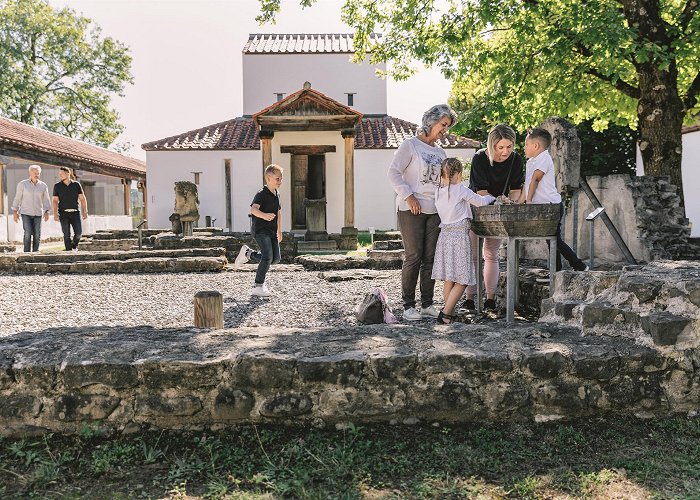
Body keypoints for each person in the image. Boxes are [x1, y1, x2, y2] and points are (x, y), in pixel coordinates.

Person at [388, 104, 458, 321]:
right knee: (414, 256)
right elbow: (393, 173)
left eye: (447, 126)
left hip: (435, 211)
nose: (445, 130)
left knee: (430, 258)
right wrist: (409, 196)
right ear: (431, 121)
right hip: (411, 210)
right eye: (443, 125)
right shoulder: (410, 145)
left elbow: (445, 183)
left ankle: (427, 304)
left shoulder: (440, 152)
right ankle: (408, 306)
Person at [464, 124, 525, 311]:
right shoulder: (479, 158)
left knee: (491, 254)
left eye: (509, 147)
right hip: (475, 207)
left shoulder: (516, 160)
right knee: (473, 255)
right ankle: (469, 298)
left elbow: (516, 190)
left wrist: (510, 202)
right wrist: (498, 200)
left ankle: (490, 298)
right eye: (501, 148)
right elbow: (481, 192)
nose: (505, 152)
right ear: (492, 146)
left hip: (499, 208)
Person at [432, 158, 495, 324]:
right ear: (459, 174)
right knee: (463, 279)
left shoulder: (438, 191)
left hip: (444, 237)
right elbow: (480, 202)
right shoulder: (460, 189)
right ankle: (445, 314)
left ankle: (449, 314)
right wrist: (491, 197)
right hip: (459, 237)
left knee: (449, 278)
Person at [518, 127, 588, 272]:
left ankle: (578, 265)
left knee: (554, 239)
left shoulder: (544, 158)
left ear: (536, 146)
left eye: (526, 144)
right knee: (552, 240)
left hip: (552, 206)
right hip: (544, 207)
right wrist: (519, 202)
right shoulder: (532, 161)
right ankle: (559, 270)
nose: (524, 147)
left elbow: (535, 180)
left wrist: (529, 201)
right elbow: (527, 184)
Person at [234, 164, 283, 297]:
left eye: (281, 178)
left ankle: (248, 254)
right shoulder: (261, 194)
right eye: (277, 178)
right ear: (268, 178)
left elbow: (278, 213)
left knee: (275, 259)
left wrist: (279, 231)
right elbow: (253, 209)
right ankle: (258, 286)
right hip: (261, 230)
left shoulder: (276, 194)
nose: (280, 181)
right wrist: (264, 215)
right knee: (267, 257)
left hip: (272, 231)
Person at [11, 165, 51, 252]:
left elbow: (46, 199)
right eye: (35, 173)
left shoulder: (43, 186)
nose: (37, 175)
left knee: (37, 234)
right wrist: (15, 211)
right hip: (25, 213)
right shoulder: (22, 184)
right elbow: (17, 198)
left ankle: (35, 252)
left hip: (38, 213)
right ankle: (26, 253)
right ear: (30, 173)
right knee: (28, 233)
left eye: (38, 173)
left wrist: (47, 211)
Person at [52, 167, 88, 251]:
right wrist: (55, 213)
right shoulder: (57, 186)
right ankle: (68, 252)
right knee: (66, 234)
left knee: (78, 233)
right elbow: (54, 201)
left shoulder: (76, 185)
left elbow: (82, 198)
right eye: (59, 174)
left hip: (75, 213)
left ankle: (73, 246)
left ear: (68, 173)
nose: (59, 175)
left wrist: (85, 211)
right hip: (63, 213)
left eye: (62, 173)